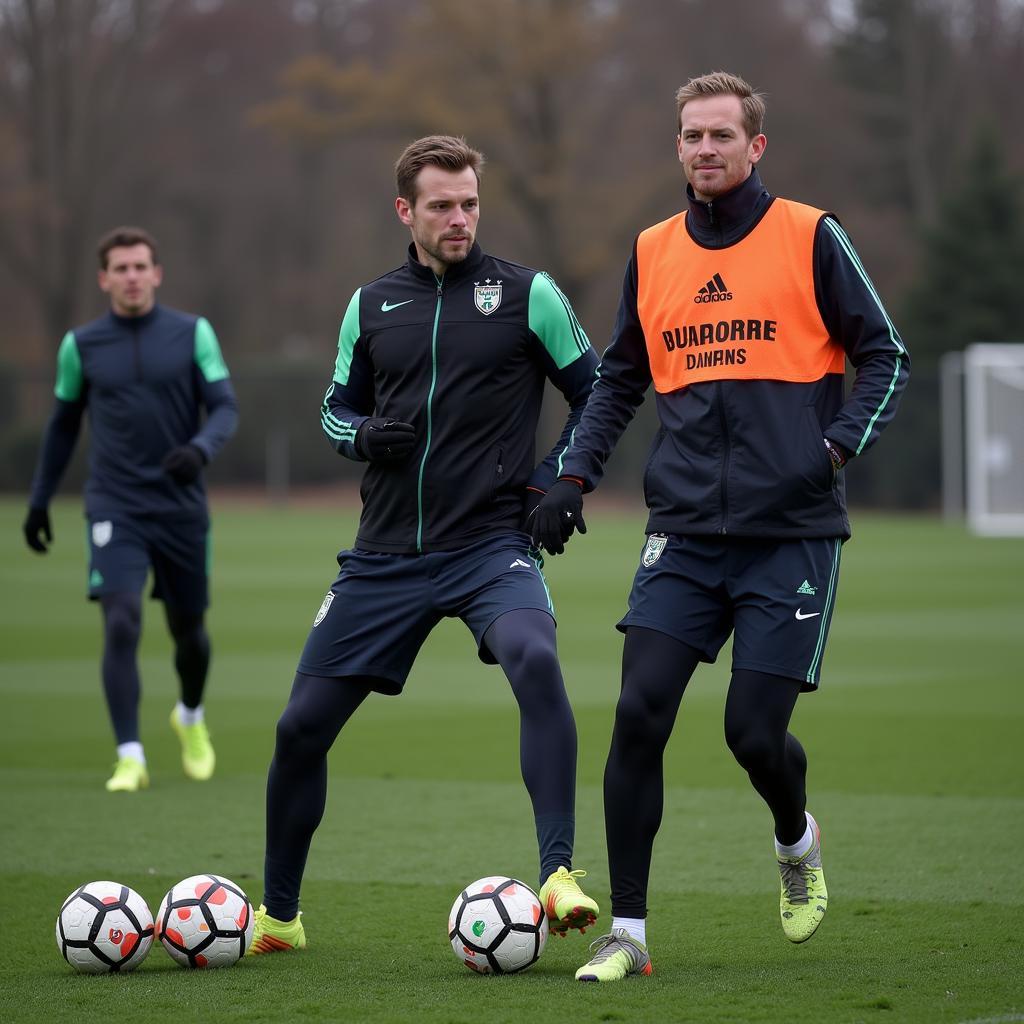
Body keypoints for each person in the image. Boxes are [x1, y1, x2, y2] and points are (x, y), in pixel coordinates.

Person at [532, 71, 910, 982]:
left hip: (792, 533)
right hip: (687, 529)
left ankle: (794, 839)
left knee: (751, 733)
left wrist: (831, 451)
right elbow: (622, 376)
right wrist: (572, 471)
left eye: (722, 137)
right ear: (678, 147)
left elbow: (884, 354)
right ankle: (630, 932)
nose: (706, 150)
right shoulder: (654, 249)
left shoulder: (811, 236)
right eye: (691, 137)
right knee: (638, 713)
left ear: (755, 146)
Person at [248, 135, 601, 955]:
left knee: (537, 661)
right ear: (405, 210)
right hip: (383, 558)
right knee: (299, 729)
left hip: (490, 548)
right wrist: (366, 433)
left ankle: (558, 874)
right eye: (441, 204)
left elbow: (600, 394)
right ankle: (279, 919)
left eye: (469, 202)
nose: (459, 218)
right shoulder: (370, 305)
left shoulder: (528, 295)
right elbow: (336, 410)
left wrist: (562, 478)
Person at [23, 226, 238, 793]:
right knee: (121, 619)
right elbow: (63, 424)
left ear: (157, 273)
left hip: (181, 507)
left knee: (189, 632)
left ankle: (190, 717)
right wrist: (41, 498)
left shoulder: (193, 334)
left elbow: (224, 408)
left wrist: (200, 449)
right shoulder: (81, 345)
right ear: (104, 279)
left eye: (141, 266)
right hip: (114, 504)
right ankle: (130, 755)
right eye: (120, 268)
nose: (132, 276)